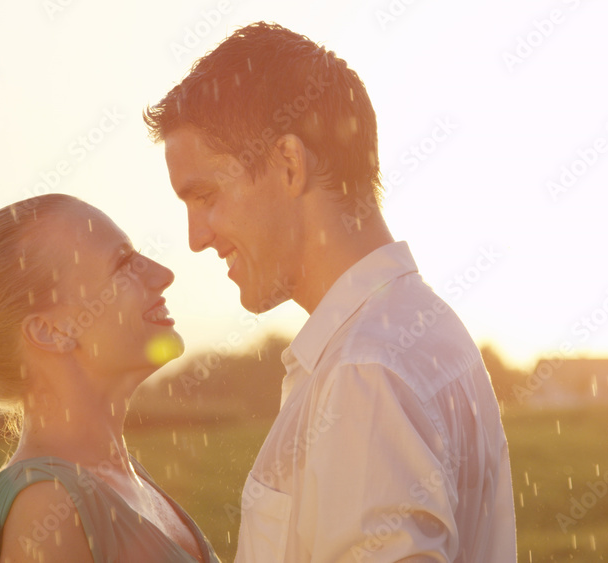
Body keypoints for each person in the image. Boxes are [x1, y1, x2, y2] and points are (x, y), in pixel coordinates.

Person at [145, 22, 517, 562]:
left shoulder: (364, 371)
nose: (196, 237)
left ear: (289, 165)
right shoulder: (420, 331)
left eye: (205, 195)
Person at [0, 194, 220, 563]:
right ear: (48, 331)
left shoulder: (118, 476)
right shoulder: (45, 508)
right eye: (123, 263)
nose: (162, 274)